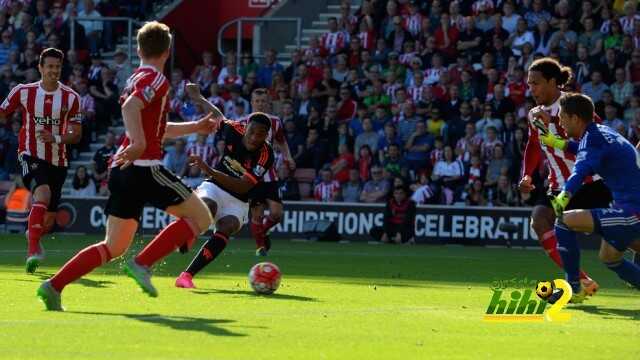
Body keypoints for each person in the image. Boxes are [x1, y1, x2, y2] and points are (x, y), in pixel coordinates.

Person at [36, 22, 215, 311]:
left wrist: (195, 126)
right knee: (202, 217)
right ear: (168, 51)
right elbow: (130, 108)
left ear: (138, 48)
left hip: (123, 168)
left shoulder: (135, 77)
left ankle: (53, 286)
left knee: (113, 246)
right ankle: (142, 263)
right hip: (145, 166)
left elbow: (156, 127)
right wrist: (139, 143)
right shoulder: (157, 79)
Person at [519, 58, 611, 297]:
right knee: (540, 220)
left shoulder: (573, 105)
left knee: (621, 236)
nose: (532, 89)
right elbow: (533, 144)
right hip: (558, 183)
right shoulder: (534, 114)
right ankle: (581, 282)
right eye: (529, 84)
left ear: (552, 82)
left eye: (536, 83)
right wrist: (527, 174)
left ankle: (577, 285)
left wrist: (556, 128)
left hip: (589, 182)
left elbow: (597, 138)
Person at [538, 93, 640, 301]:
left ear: (575, 118)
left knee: (564, 221)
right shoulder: (600, 132)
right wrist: (556, 143)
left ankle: (574, 288)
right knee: (609, 257)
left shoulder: (592, 139)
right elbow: (582, 148)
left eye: (563, 117)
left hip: (631, 211)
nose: (560, 121)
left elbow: (580, 170)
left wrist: (563, 198)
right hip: (630, 207)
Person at [0, 47, 82, 273]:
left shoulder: (71, 97)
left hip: (58, 161)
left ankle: (33, 235)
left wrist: (54, 137)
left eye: (57, 67)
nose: (53, 71)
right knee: (42, 194)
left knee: (49, 220)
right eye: (49, 67)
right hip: (30, 154)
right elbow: (3, 112)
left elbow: (76, 134)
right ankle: (32, 251)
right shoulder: (23, 91)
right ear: (40, 68)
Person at [187, 85, 293, 257]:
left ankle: (262, 233)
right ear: (251, 102)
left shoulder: (275, 124)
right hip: (244, 176)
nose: (260, 104)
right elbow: (218, 116)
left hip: (266, 173)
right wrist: (198, 98)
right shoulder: (241, 124)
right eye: (257, 101)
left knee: (276, 212)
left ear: (268, 103)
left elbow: (282, 141)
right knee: (255, 214)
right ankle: (260, 247)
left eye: (263, 101)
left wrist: (288, 157)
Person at [174, 113, 274, 289]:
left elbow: (243, 187)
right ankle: (190, 232)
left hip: (239, 199)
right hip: (214, 187)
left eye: (260, 134)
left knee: (227, 227)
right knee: (208, 206)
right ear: (245, 128)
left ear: (266, 136)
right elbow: (216, 114)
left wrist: (208, 169)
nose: (254, 137)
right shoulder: (233, 128)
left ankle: (186, 276)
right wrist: (198, 97)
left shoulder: (266, 154)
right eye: (251, 132)